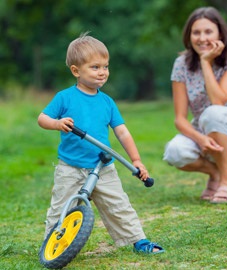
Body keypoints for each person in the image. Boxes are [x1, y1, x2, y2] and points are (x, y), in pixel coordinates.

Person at [37, 33, 164, 254]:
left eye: (105, 66)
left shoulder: (107, 102)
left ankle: (138, 240)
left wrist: (136, 160)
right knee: (61, 209)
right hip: (71, 168)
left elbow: (122, 132)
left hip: (102, 167)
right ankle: (54, 244)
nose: (102, 72)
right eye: (95, 67)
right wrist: (57, 123)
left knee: (118, 205)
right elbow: (42, 119)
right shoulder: (64, 98)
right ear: (76, 71)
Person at [163, 7, 227, 204]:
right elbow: (180, 119)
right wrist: (200, 139)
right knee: (174, 152)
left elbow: (219, 101)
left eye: (208, 32)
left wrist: (206, 62)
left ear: (220, 33)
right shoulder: (181, 64)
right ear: (189, 35)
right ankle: (215, 174)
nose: (202, 38)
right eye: (196, 32)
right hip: (205, 133)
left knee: (214, 112)